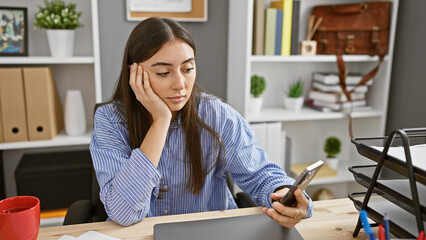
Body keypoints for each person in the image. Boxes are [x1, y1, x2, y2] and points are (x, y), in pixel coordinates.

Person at [90, 17, 313, 227]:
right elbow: (123, 213)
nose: (180, 84)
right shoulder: (110, 121)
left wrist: (286, 194)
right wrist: (161, 120)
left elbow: (259, 174)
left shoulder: (218, 115)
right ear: (134, 73)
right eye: (163, 72)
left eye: (188, 69)